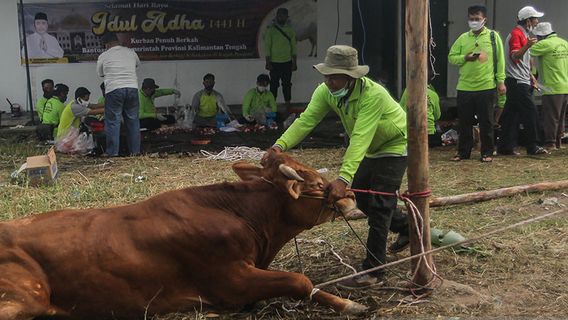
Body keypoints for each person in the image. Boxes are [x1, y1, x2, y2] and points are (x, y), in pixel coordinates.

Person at [266, 45, 409, 288]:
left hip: (393, 145)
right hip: (369, 149)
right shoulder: (326, 92)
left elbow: (361, 136)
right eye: (326, 75)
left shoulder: (373, 95)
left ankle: (374, 271)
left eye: (334, 76)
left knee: (380, 205)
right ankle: (408, 228)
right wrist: (278, 146)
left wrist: (343, 179)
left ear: (351, 77)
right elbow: (306, 120)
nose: (329, 81)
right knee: (363, 201)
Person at [448, 5, 506, 162]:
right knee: (465, 122)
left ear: (484, 20)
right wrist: (465, 58)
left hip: (486, 86)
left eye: (477, 19)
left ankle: (487, 152)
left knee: (486, 121)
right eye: (471, 19)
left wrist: (500, 82)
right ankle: (463, 152)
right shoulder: (463, 38)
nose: (474, 22)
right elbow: (451, 57)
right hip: (465, 87)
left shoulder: (493, 37)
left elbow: (500, 61)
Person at [497, 6, 548, 156]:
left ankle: (505, 146)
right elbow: (515, 56)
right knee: (530, 113)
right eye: (535, 19)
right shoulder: (517, 34)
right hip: (518, 82)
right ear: (528, 21)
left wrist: (531, 77)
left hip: (518, 80)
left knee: (511, 115)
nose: (537, 22)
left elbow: (522, 61)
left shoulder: (522, 34)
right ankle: (533, 146)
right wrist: (527, 46)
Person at [97, 32, 141, 157]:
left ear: (106, 44)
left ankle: (112, 153)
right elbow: (137, 65)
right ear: (117, 41)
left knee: (113, 122)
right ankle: (135, 152)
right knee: (133, 121)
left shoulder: (104, 56)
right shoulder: (131, 52)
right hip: (132, 88)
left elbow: (100, 73)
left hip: (114, 89)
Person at [530, 22, 568, 151]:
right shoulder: (564, 43)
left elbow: (526, 52)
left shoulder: (544, 44)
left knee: (551, 117)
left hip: (552, 87)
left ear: (541, 36)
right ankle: (558, 142)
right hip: (565, 86)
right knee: (560, 116)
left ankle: (550, 143)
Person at [264, 7, 297, 105]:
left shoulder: (290, 30)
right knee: (273, 85)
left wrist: (294, 63)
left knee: (287, 85)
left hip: (287, 62)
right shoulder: (271, 30)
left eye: (283, 15)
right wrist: (267, 62)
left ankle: (288, 106)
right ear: (276, 16)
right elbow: (267, 47)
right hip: (274, 63)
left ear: (287, 17)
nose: (281, 17)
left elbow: (294, 47)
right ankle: (272, 107)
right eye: (279, 15)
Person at [399, 82, 442, 147]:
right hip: (430, 135)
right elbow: (437, 116)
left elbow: (401, 110)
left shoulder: (407, 91)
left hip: (411, 133)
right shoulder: (434, 95)